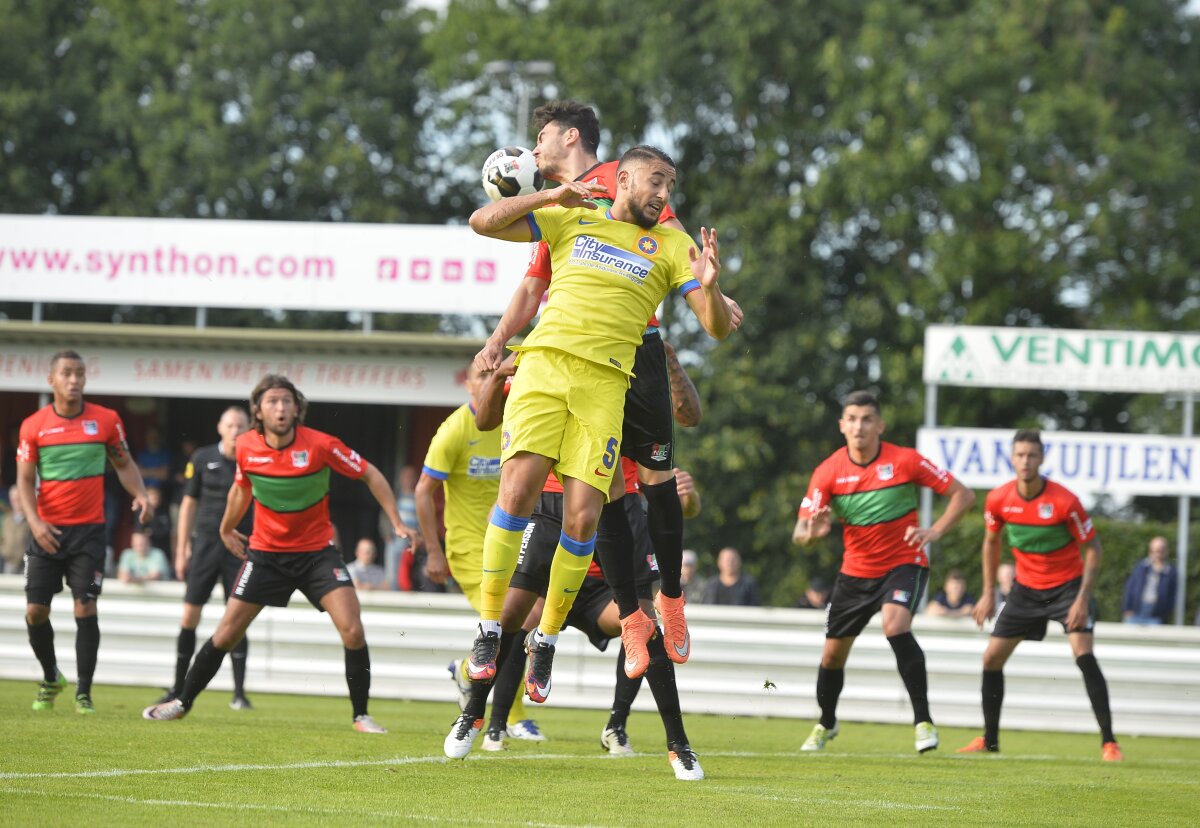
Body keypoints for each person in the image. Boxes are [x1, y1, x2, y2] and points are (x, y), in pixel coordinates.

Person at [475, 101, 742, 682]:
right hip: (556, 363)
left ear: (571, 138)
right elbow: (528, 276)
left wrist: (711, 289)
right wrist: (499, 338)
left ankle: (668, 599)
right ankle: (609, 620)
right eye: (658, 183)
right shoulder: (571, 207)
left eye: (542, 136)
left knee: (650, 484)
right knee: (583, 499)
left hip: (632, 356)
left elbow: (673, 241)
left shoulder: (621, 182)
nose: (535, 149)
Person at [444, 359, 707, 780]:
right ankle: (478, 716)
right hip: (550, 505)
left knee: (643, 624)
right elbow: (487, 418)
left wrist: (668, 360)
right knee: (512, 615)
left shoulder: (633, 359)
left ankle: (675, 745)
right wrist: (495, 375)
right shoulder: (548, 355)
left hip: (616, 509)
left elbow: (688, 417)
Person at [142, 375, 420, 732]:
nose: (281, 408)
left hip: (317, 554)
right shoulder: (245, 446)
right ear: (258, 410)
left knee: (352, 630)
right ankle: (181, 702)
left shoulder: (321, 445)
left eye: (287, 401)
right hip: (265, 555)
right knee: (226, 634)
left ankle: (361, 715)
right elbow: (241, 491)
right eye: (272, 401)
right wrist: (226, 528)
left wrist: (396, 521)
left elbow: (371, 475)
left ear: (297, 407)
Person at [792, 390, 975, 754]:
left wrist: (934, 532)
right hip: (855, 573)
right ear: (842, 426)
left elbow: (963, 495)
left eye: (867, 419)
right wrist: (813, 534)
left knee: (896, 624)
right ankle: (826, 723)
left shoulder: (905, 460)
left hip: (903, 564)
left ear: (880, 425)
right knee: (832, 656)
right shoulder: (827, 471)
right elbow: (800, 534)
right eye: (853, 419)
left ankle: (923, 722)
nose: (859, 426)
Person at [956, 429, 1122, 761]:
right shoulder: (999, 499)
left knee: (1083, 655)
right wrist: (988, 593)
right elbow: (991, 543)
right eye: (1020, 455)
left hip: (1068, 588)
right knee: (991, 659)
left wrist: (1082, 598)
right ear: (1012, 458)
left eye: (1031, 455)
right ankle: (990, 740)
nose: (1025, 461)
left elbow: (1093, 549)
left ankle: (1109, 742)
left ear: (1041, 458)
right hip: (1026, 590)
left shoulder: (1065, 501)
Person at [18, 349, 153, 714]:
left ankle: (84, 692)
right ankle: (51, 676)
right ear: (52, 380)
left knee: (85, 605)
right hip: (46, 531)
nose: (74, 379)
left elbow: (124, 464)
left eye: (79, 373)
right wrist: (35, 522)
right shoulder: (34, 425)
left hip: (89, 533)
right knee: (34, 611)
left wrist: (140, 493)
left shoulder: (106, 420)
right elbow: (25, 480)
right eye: (66, 373)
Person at [416, 362, 544, 741]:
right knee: (513, 621)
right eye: (484, 376)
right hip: (470, 547)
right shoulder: (454, 431)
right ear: (470, 385)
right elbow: (424, 491)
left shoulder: (518, 419)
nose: (494, 382)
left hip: (512, 537)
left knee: (525, 618)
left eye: (501, 375)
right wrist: (433, 552)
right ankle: (513, 717)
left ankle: (467, 671)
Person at [157, 406, 254, 710]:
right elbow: (188, 504)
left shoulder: (254, 459)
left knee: (236, 621)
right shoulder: (201, 458)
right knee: (189, 616)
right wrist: (181, 548)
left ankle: (239, 694)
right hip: (205, 546)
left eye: (241, 425)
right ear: (220, 427)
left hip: (239, 548)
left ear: (249, 429)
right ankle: (177, 686)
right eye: (231, 424)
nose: (236, 430)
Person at [1122, 536, 1177, 625]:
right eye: (1155, 550)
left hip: (1155, 615)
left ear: (1166, 551)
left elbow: (1171, 596)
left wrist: (1163, 614)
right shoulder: (1141, 566)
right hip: (1135, 612)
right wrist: (1127, 609)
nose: (1158, 553)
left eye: (1161, 550)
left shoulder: (1170, 571)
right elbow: (1130, 588)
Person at [383, 465, 418, 590]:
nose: (408, 479)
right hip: (395, 539)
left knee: (408, 572)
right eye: (405, 476)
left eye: (411, 477)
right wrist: (386, 533)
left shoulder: (419, 497)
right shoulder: (395, 496)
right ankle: (393, 597)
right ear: (401, 479)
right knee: (392, 572)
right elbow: (385, 514)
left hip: (412, 541)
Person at [2, 483, 30, 574]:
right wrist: (4, 551)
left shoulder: (30, 519)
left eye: (18, 499)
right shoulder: (6, 519)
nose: (16, 501)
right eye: (13, 499)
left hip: (26, 564)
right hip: (9, 563)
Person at [136, 425, 172, 497]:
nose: (152, 438)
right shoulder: (142, 454)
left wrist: (146, 471)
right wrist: (156, 471)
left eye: (155, 435)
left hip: (162, 494)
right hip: (144, 493)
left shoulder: (165, 454)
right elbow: (138, 474)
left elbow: (164, 475)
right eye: (150, 435)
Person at [143, 486, 173, 561]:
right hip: (147, 548)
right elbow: (141, 531)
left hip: (163, 547)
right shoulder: (142, 513)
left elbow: (167, 529)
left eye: (157, 498)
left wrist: (152, 531)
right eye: (153, 498)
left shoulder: (164, 511)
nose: (156, 500)